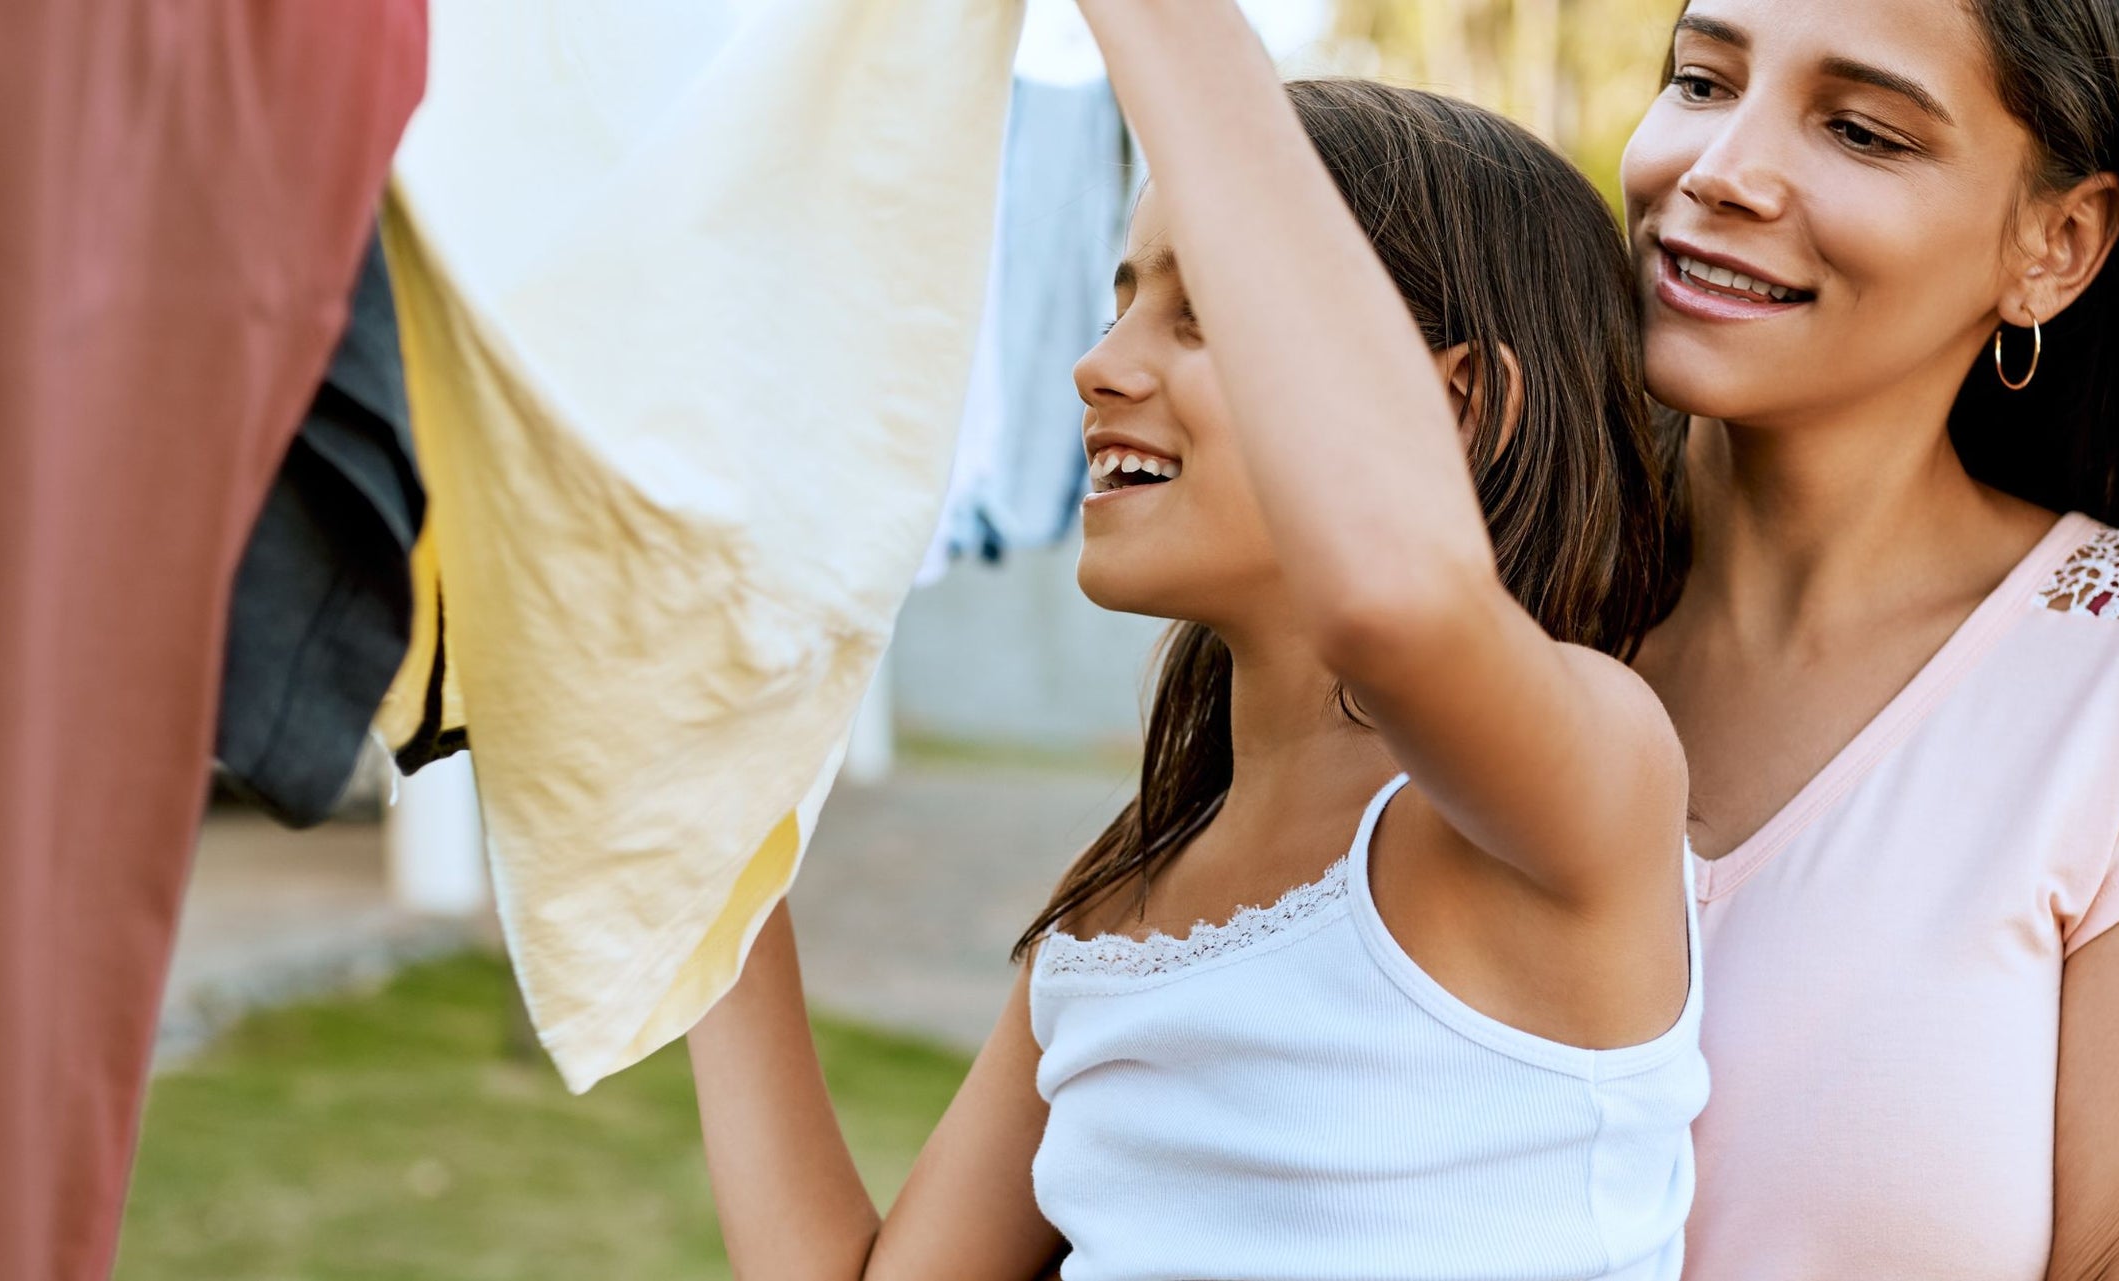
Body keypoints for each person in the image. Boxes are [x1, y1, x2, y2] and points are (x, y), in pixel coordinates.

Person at [682, 17, 1705, 1281]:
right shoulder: (1122, 903)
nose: (1098, 366)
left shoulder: (1582, 792)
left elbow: (1396, 600)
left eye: (1203, 315)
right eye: (1123, 301)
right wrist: (704, 819)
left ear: (1456, 406)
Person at [1614, 0, 2119, 1276]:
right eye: (1702, 82)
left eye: (1860, 131)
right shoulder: (1475, 599)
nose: (1719, 170)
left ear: (2056, 243)